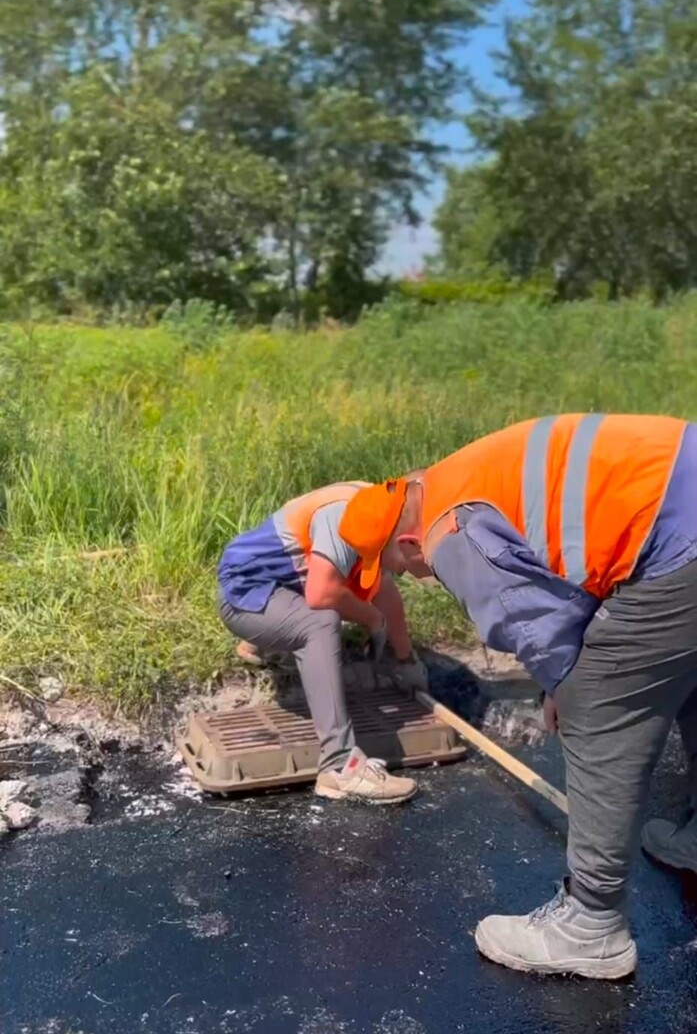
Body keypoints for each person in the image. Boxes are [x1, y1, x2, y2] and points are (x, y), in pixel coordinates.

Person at [339, 414, 697, 979]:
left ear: (406, 541)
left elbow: (531, 619)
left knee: (598, 702)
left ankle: (590, 926)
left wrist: (563, 685)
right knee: (687, 670)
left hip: (677, 544)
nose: (413, 575)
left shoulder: (448, 532)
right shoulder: (456, 475)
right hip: (680, 500)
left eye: (400, 569)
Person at [217, 479, 428, 805]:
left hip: (275, 584)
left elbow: (384, 591)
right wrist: (373, 620)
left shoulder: (377, 513)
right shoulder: (344, 516)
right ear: (407, 539)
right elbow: (320, 593)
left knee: (352, 587)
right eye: (411, 564)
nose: (409, 572)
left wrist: (406, 662)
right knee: (321, 620)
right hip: (245, 595)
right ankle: (339, 766)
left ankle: (266, 642)